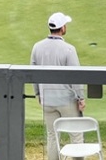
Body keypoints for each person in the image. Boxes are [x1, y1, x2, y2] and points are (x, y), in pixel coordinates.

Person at [30, 12, 85, 160]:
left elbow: (33, 74)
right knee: (76, 135)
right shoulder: (69, 49)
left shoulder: (37, 47)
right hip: (67, 101)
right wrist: (81, 98)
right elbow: (76, 76)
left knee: (52, 136)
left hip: (47, 100)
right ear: (62, 28)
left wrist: (38, 94)